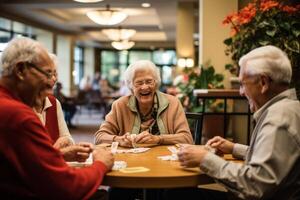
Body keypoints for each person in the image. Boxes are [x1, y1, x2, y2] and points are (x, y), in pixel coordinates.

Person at [177, 45, 300, 200]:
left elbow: (255, 186)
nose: (241, 92)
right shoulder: (290, 108)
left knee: (175, 194)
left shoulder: (278, 119)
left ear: (263, 83)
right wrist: (233, 148)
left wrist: (205, 159)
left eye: (242, 84)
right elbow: (271, 158)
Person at [0, 37, 114, 199]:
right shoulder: (19, 116)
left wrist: (60, 155)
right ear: (20, 70)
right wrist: (101, 164)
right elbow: (68, 188)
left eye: (54, 75)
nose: (51, 83)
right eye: (47, 74)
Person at [95, 60, 193, 147]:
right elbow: (99, 137)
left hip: (164, 161)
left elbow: (187, 138)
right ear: (131, 86)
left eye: (149, 81)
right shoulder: (119, 105)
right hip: (130, 162)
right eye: (139, 83)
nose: (145, 87)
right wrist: (119, 140)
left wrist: (159, 139)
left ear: (156, 83)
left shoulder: (172, 103)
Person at [33, 53, 93, 162]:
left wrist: (65, 141)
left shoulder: (54, 102)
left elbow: (68, 137)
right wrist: (58, 153)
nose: (54, 78)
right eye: (48, 73)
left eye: (55, 73)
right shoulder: (20, 107)